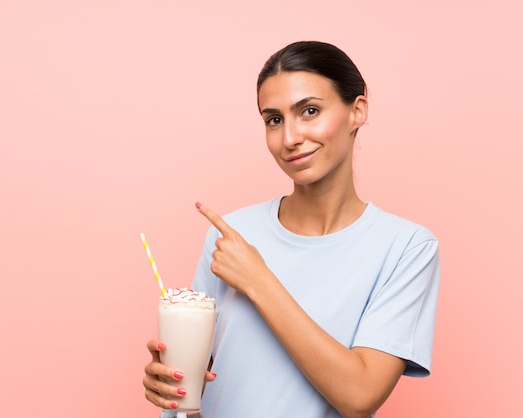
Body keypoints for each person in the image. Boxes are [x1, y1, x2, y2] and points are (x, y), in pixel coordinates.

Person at [143, 41, 440, 418]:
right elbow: (193, 391)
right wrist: (171, 387)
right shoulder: (230, 234)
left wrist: (258, 280)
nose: (289, 138)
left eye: (310, 111)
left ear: (357, 111)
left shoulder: (406, 248)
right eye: (274, 119)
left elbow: (360, 396)